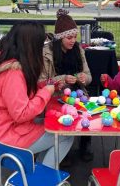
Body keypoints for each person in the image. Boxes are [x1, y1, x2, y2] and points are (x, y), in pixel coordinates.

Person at [0, 21, 74, 168]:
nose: (42, 49)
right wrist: (46, 92)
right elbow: (21, 113)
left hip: (6, 130)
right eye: (41, 44)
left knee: (58, 132)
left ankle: (40, 171)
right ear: (31, 46)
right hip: (5, 140)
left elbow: (21, 94)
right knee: (65, 135)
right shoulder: (13, 73)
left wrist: (47, 86)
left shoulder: (11, 64)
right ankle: (42, 179)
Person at [39, 9, 93, 162]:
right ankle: (64, 147)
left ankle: (85, 144)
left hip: (77, 93)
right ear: (59, 38)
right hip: (55, 95)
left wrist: (84, 78)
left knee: (85, 111)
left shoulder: (78, 50)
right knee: (61, 117)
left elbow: (89, 76)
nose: (72, 41)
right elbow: (42, 82)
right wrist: (63, 78)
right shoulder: (47, 53)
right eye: (69, 37)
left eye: (75, 37)